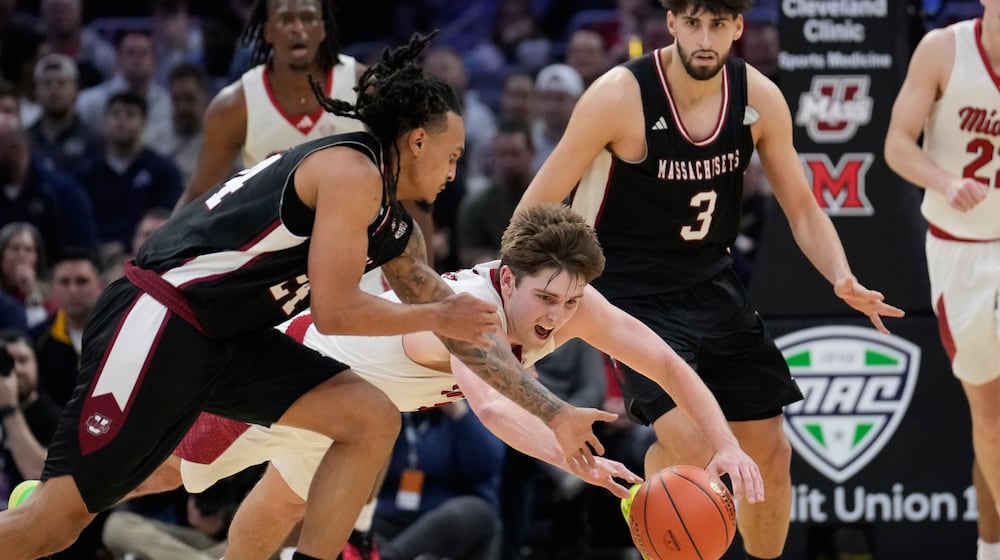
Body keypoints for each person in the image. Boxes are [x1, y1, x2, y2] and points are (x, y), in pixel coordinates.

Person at [0, 34, 609, 560]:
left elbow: (461, 334)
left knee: (369, 417)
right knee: (52, 528)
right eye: (452, 156)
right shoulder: (352, 171)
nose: (455, 172)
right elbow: (336, 311)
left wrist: (555, 413)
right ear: (418, 141)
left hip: (229, 337)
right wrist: (437, 313)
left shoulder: (397, 228)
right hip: (164, 314)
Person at [514, 2, 905, 559]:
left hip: (712, 281)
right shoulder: (618, 96)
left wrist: (841, 276)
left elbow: (802, 206)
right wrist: (514, 300)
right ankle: (654, 503)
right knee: (695, 449)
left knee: (770, 455)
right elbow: (534, 209)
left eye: (717, 25)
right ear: (672, 22)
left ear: (737, 28)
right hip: (629, 292)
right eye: (693, 23)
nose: (704, 38)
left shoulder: (758, 97)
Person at [163, 203, 763, 560]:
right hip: (290, 367)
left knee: (285, 500)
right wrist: (571, 456)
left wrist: (726, 445)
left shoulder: (574, 304)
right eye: (546, 298)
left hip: (348, 407)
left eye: (571, 301)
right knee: (154, 468)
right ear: (508, 280)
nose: (557, 317)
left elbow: (668, 364)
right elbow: (495, 409)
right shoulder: (472, 311)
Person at [884, 4, 1000, 559]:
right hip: (962, 253)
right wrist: (945, 182)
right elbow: (897, 145)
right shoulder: (944, 50)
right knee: (991, 423)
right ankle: (990, 548)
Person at [173, 0, 365, 209]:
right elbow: (198, 197)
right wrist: (168, 231)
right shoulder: (234, 105)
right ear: (267, 31)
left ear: (322, 28)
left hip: (356, 223)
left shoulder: (363, 86)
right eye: (286, 20)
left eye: (308, 18)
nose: (298, 28)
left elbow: (394, 173)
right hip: (274, 227)